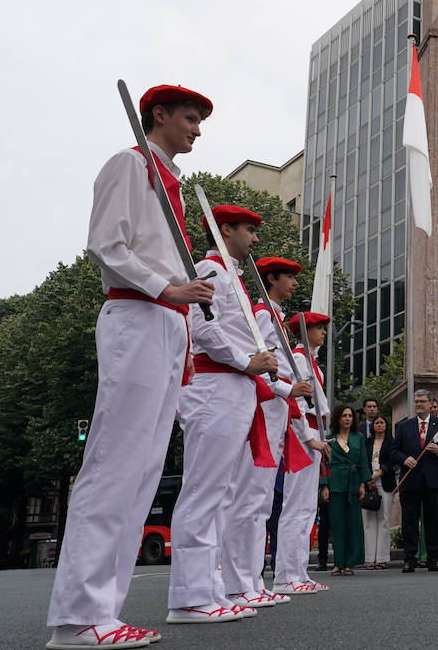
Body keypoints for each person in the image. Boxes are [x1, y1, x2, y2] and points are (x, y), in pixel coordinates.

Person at [47, 84, 216, 650]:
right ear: (159, 115)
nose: (197, 128)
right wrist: (167, 286)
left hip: (169, 321)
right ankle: (77, 617)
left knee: (144, 470)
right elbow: (106, 245)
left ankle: (102, 613)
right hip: (137, 314)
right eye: (190, 118)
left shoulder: (176, 190)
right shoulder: (130, 163)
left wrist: (183, 298)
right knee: (116, 463)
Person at [168, 204, 279, 623]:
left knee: (223, 493)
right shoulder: (210, 269)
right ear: (225, 229)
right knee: (205, 490)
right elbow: (203, 326)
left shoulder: (231, 275)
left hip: (233, 387)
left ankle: (209, 589)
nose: (255, 239)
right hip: (215, 385)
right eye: (249, 230)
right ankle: (189, 595)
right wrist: (246, 360)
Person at [225, 255, 312, 609]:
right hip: (264, 409)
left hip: (275, 412)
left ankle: (250, 580)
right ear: (271, 279)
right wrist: (285, 390)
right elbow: (256, 362)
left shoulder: (272, 313)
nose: (294, 283)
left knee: (259, 503)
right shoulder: (263, 313)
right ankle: (238, 583)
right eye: (289, 277)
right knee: (249, 500)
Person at [273, 311, 332, 595]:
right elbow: (295, 405)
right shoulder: (298, 359)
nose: (323, 333)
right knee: (296, 507)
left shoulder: (310, 363)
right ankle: (286, 576)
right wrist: (310, 439)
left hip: (313, 435)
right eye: (318, 328)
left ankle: (298, 572)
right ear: (304, 331)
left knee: (306, 509)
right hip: (303, 436)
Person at [384, 389, 438, 572]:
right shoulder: (404, 426)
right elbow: (393, 451)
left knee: (434, 521)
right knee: (409, 521)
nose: (418, 404)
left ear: (431, 404)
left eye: (422, 401)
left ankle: (433, 558)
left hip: (434, 480)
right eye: (416, 401)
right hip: (411, 481)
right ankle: (409, 559)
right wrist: (403, 459)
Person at [324, 405, 371, 574]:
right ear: (338, 418)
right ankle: (338, 563)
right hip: (335, 482)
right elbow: (324, 464)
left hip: (353, 483)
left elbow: (363, 462)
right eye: (344, 415)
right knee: (337, 525)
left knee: (353, 524)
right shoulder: (329, 438)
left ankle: (350, 563)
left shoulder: (358, 437)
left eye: (350, 415)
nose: (347, 418)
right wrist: (324, 486)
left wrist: (362, 484)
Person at [362, 415, 396, 569]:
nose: (379, 425)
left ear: (386, 425)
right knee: (369, 521)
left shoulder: (391, 442)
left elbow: (391, 461)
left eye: (382, 422)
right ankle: (369, 558)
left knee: (384, 519)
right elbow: (362, 461)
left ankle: (382, 558)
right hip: (368, 483)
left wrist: (378, 474)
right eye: (377, 423)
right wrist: (369, 479)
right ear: (372, 426)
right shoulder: (366, 442)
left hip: (386, 482)